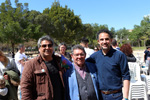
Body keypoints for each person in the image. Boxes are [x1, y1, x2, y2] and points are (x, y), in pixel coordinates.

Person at [86, 29, 130, 100]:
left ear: (111, 40)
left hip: (116, 96)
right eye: (102, 39)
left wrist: (125, 97)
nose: (104, 42)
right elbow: (81, 63)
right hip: (100, 95)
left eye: (107, 39)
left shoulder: (120, 55)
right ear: (98, 41)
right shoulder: (95, 56)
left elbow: (126, 76)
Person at [21, 35, 65, 100]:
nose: (47, 48)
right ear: (39, 48)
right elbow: (25, 87)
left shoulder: (60, 61)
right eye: (44, 46)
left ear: (53, 47)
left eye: (50, 45)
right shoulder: (30, 65)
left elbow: (73, 68)